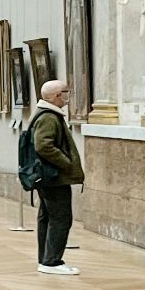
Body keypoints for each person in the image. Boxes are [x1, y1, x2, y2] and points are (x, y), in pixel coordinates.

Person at [29, 80, 85, 275]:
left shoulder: (45, 114)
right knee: (61, 218)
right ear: (55, 96)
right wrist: (66, 163)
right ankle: (52, 261)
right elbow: (43, 145)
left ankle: (46, 258)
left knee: (47, 216)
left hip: (48, 176)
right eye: (64, 92)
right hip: (53, 177)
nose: (67, 96)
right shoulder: (49, 117)